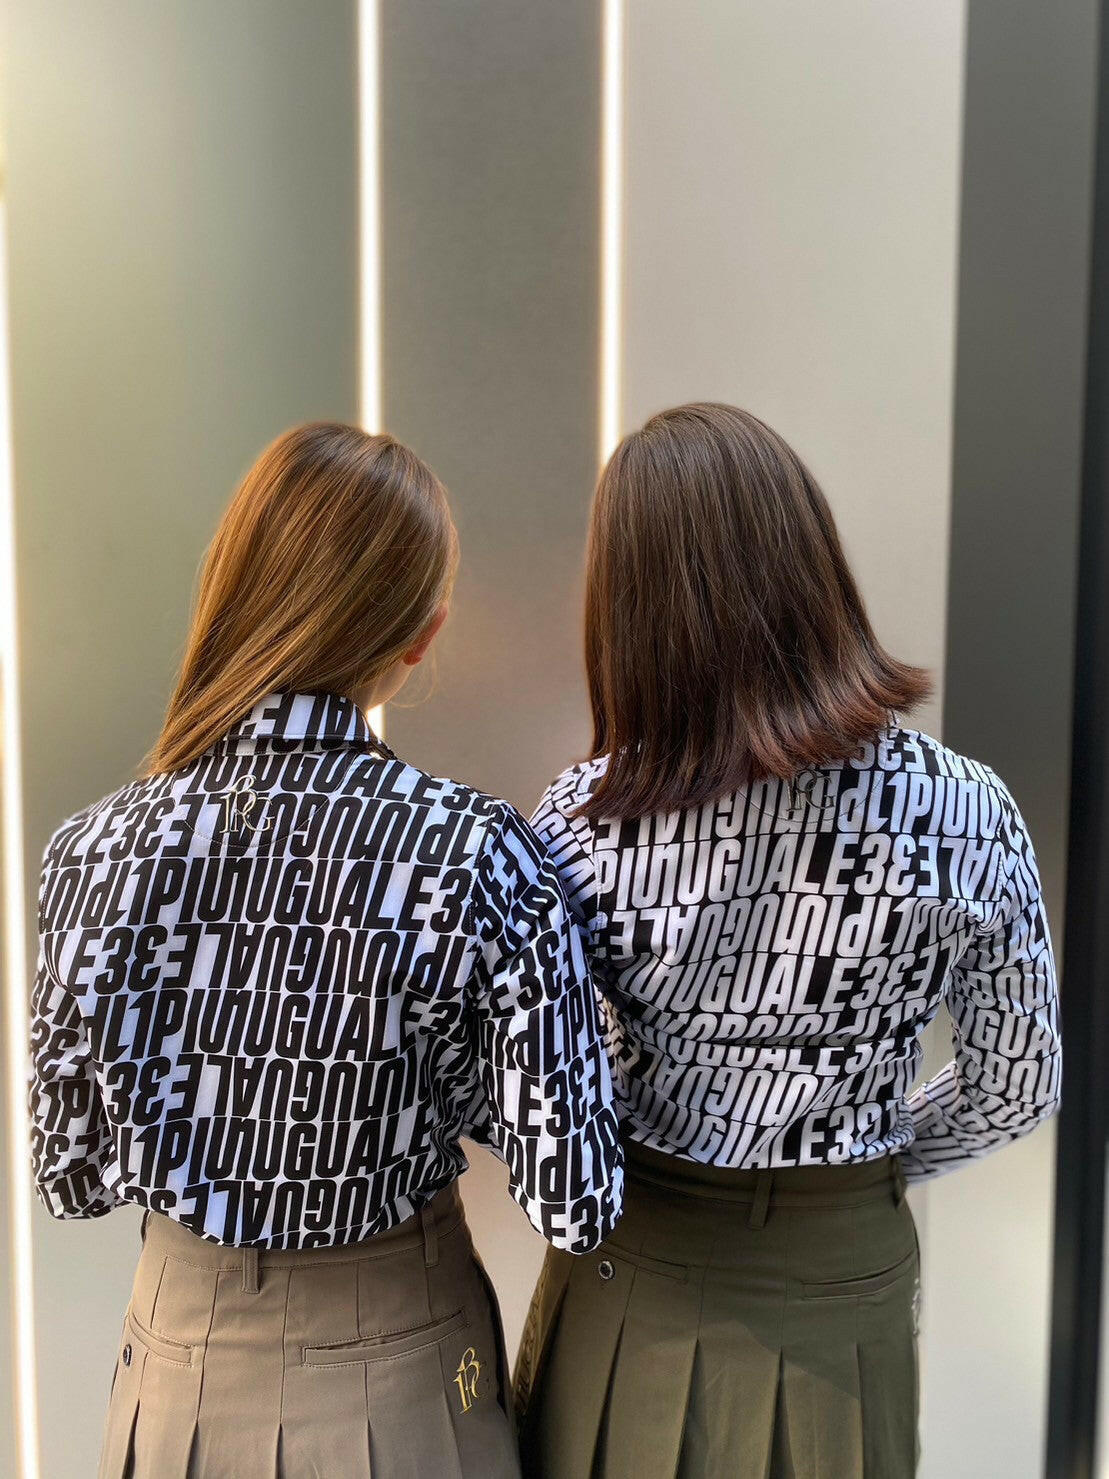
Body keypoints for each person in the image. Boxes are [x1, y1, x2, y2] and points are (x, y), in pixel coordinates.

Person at [29, 422, 623, 1479]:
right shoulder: (471, 853)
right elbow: (573, 1196)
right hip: (403, 1372)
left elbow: (69, 1177)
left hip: (174, 1376)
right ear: (421, 634)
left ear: (230, 590)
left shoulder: (90, 852)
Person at [514, 403, 1060, 1479]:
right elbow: (1016, 1085)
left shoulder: (581, 822)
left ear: (626, 604)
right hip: (841, 1270)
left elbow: (549, 1085)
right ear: (812, 565)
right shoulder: (963, 809)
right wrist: (867, 1159)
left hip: (633, 1260)